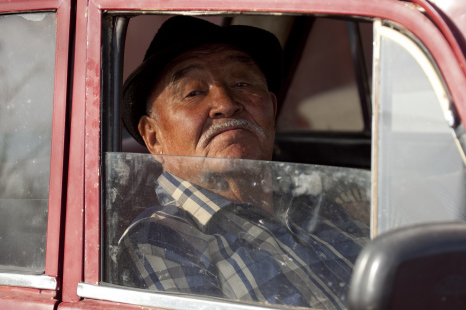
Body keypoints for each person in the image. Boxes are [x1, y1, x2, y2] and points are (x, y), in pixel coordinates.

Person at [117, 16, 369, 309]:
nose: (226, 104)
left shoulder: (316, 207)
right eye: (194, 92)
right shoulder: (162, 242)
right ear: (154, 137)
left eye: (241, 82)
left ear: (272, 109)